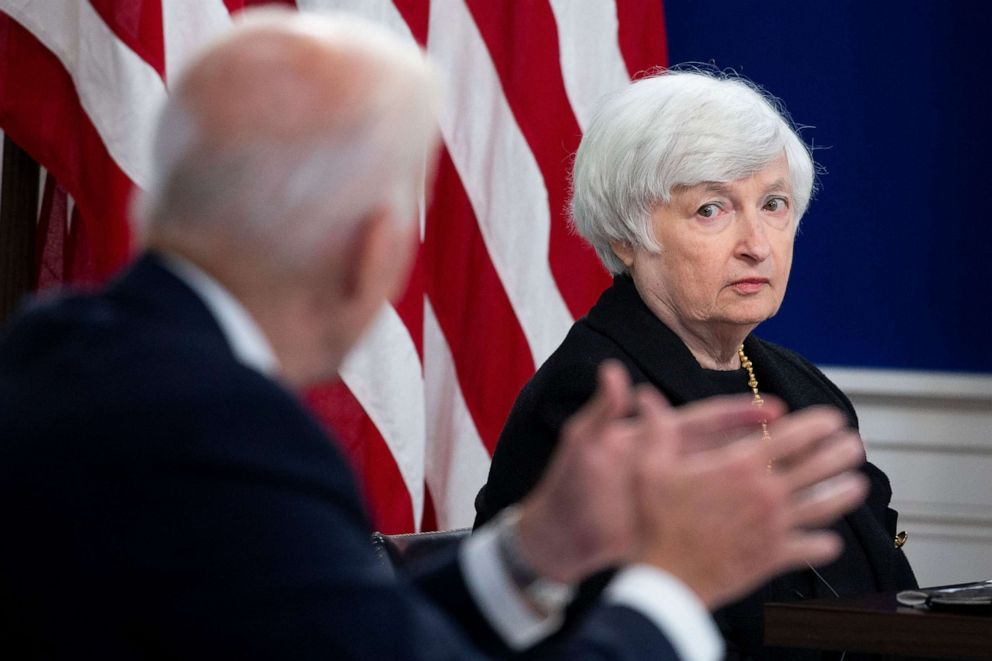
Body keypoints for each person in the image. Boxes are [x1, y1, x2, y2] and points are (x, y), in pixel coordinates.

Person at [0, 11, 869, 660]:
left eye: (774, 205)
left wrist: (533, 552)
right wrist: (675, 589)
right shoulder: (226, 434)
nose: (755, 237)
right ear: (375, 245)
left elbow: (376, 643)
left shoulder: (61, 346)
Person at [474, 69, 918, 659]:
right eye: (712, 209)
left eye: (774, 204)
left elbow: (899, 596)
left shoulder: (806, 390)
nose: (757, 243)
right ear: (626, 234)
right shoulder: (593, 399)